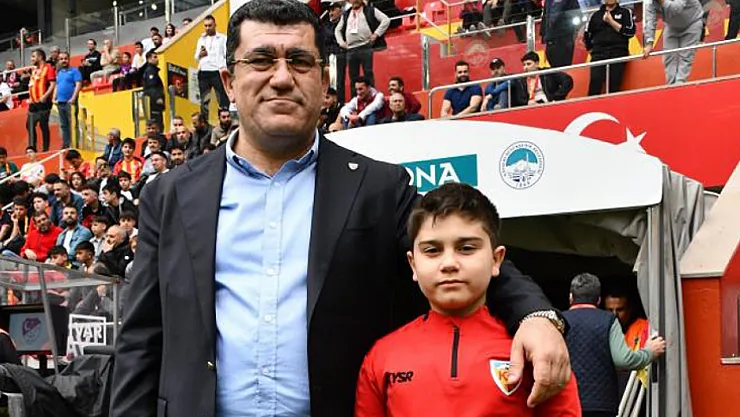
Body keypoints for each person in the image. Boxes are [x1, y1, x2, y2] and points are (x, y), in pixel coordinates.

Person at [110, 2, 571, 417]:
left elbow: (459, 249)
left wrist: (537, 317)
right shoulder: (169, 196)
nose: (282, 77)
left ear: (323, 81)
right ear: (229, 82)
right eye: (262, 60)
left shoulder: (378, 188)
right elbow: (141, 339)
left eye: (300, 61)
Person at [356, 183, 580, 416]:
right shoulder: (383, 355)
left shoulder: (537, 349)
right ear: (413, 264)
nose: (449, 263)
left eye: (466, 248)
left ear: (496, 259)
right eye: (432, 250)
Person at [563, 273, 666, 417]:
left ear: (571, 298)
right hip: (601, 405)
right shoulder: (608, 320)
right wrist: (649, 352)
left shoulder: (558, 321)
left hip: (566, 402)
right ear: (599, 300)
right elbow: (623, 360)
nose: (615, 314)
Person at [335, 0, 390, 94]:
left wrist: (376, 34)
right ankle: (355, 98)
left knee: (368, 73)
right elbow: (337, 30)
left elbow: (386, 20)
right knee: (353, 76)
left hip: (365, 46)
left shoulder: (370, 10)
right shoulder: (346, 14)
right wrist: (341, 42)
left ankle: (372, 96)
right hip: (351, 49)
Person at [643, 0, 703, 84]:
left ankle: (680, 83)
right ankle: (671, 85)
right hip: (671, 26)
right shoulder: (650, 2)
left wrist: (662, 1)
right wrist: (649, 42)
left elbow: (676, 9)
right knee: (668, 57)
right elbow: (650, 20)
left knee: (685, 57)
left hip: (692, 23)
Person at [584, 0, 636, 95]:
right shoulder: (595, 15)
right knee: (595, 81)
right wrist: (591, 50)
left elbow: (630, 32)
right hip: (598, 54)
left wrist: (611, 22)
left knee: (614, 84)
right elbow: (587, 35)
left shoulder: (626, 12)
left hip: (618, 52)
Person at [194, 15, 229, 120]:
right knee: (204, 100)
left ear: (215, 25)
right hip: (203, 71)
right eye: (205, 26)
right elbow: (196, 57)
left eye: (210, 25)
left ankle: (224, 121)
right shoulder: (201, 39)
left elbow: (227, 55)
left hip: (217, 71)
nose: (207, 28)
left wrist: (223, 67)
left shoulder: (222, 38)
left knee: (222, 99)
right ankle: (205, 122)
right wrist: (200, 54)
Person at [27, 48, 56, 152]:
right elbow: (32, 85)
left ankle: (45, 149)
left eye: (33, 57)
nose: (31, 59)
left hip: (44, 103)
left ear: (40, 57)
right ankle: (32, 148)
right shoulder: (34, 70)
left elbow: (52, 84)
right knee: (29, 125)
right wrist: (30, 97)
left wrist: (45, 96)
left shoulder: (48, 68)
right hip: (33, 103)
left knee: (43, 126)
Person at [53, 51, 82, 149]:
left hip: (70, 103)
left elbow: (78, 84)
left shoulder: (74, 71)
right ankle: (66, 145)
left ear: (69, 59)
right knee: (64, 125)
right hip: (60, 102)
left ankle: (75, 145)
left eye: (65, 58)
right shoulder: (59, 73)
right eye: (61, 59)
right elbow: (57, 86)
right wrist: (54, 98)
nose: (63, 61)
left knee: (73, 124)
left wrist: (73, 98)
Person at [541, 0, 580, 67]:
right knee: (553, 66)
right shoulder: (548, 1)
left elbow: (577, 14)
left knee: (564, 66)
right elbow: (545, 18)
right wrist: (544, 37)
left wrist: (573, 31)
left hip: (565, 38)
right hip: (550, 39)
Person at [323, 2, 347, 103]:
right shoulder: (326, 26)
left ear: (340, 10)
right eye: (329, 11)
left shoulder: (346, 23)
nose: (330, 13)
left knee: (338, 82)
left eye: (333, 10)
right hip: (330, 57)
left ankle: (339, 103)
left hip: (341, 55)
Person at [141, 51, 165, 131]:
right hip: (153, 102)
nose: (157, 59)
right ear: (149, 59)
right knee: (157, 123)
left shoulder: (151, 70)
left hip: (152, 101)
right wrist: (158, 98)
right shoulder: (150, 70)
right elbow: (152, 86)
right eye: (154, 57)